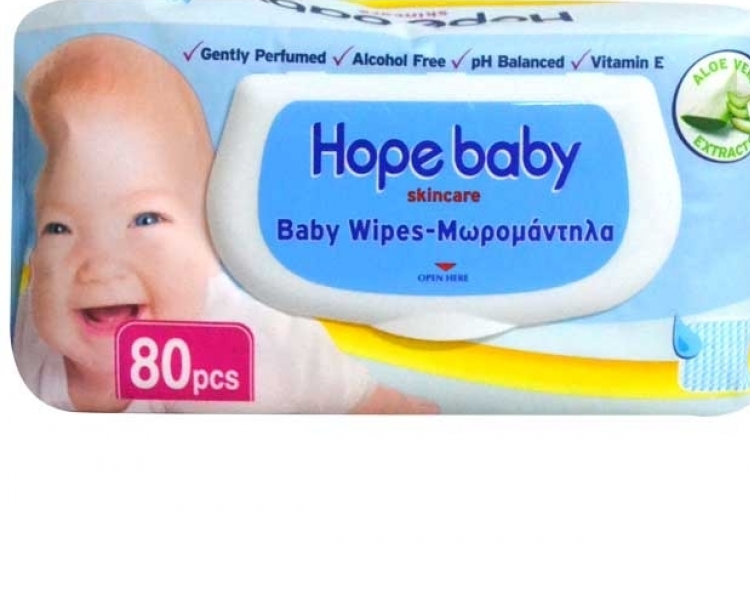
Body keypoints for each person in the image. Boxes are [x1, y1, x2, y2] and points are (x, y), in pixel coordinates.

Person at [14, 34, 438, 414]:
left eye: (145, 219)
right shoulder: (29, 335)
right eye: (59, 228)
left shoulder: (260, 343)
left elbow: (374, 403)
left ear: (214, 234)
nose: (100, 266)